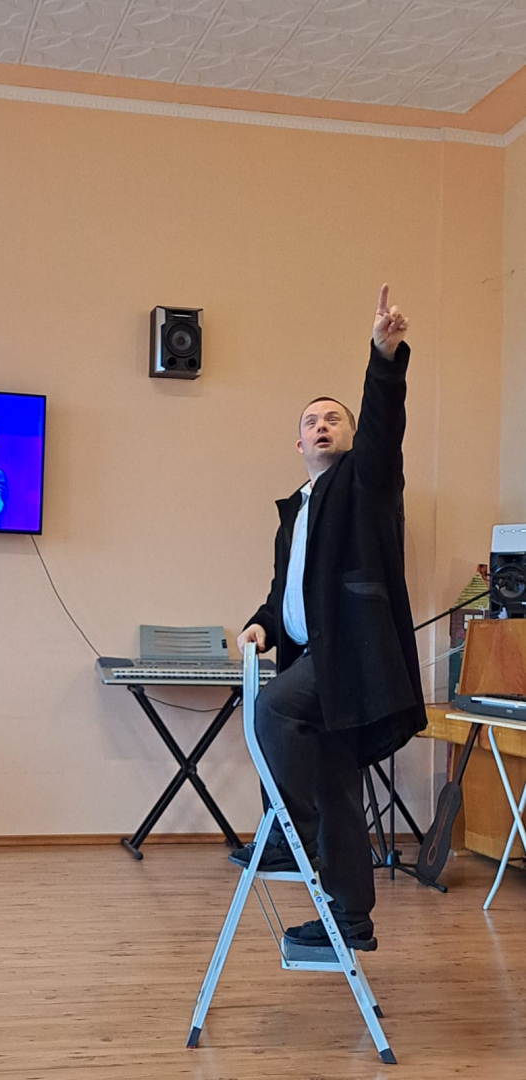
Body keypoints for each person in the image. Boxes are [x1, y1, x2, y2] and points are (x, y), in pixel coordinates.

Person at [231, 284, 426, 954]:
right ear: (297, 442)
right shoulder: (296, 511)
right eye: (311, 421)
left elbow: (383, 428)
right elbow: (285, 593)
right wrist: (262, 623)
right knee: (337, 787)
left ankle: (289, 836)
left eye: (334, 419)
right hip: (315, 659)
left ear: (350, 436)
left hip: (351, 659)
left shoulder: (365, 483)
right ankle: (350, 917)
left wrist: (383, 357)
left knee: (274, 710)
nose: (322, 426)